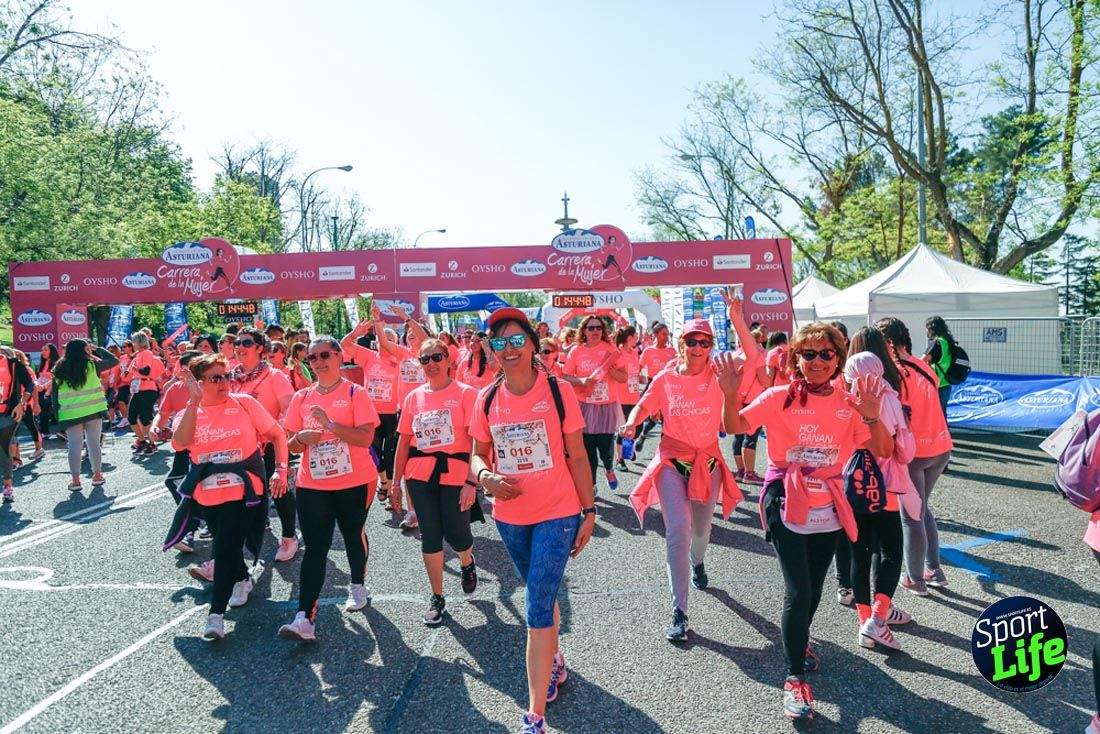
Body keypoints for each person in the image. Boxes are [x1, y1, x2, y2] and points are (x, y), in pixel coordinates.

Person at [727, 321, 892, 721]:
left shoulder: (848, 402)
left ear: (838, 359)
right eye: (808, 354)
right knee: (798, 591)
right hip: (785, 499)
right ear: (796, 358)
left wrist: (872, 417)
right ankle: (794, 677)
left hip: (829, 507)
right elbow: (734, 426)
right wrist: (729, 394)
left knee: (815, 588)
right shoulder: (778, 396)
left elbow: (886, 449)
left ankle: (799, 642)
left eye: (826, 354)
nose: (816, 362)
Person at [469, 308, 596, 734]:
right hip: (510, 517)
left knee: (537, 605)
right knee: (540, 594)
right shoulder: (486, 399)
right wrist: (485, 476)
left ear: (532, 344)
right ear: (490, 350)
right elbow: (476, 454)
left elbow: (578, 456)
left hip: (558, 512)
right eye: (499, 342)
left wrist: (589, 510)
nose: (508, 349)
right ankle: (554, 660)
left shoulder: (558, 392)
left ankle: (534, 715)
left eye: (516, 339)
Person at [621, 313, 744, 642]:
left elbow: (755, 358)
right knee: (678, 529)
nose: (698, 347)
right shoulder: (665, 379)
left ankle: (698, 562)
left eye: (705, 342)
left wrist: (739, 320)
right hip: (672, 461)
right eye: (692, 341)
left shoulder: (718, 376)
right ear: (681, 344)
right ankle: (680, 610)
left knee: (701, 529)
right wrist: (632, 423)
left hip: (707, 462)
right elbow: (644, 406)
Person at [170, 355, 289, 641]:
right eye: (215, 378)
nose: (224, 382)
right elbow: (179, 443)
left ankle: (216, 616)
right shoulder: (189, 412)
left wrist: (281, 471)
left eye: (225, 376)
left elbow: (277, 434)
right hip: (207, 494)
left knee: (224, 547)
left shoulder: (245, 403)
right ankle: (242, 578)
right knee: (228, 545)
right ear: (199, 384)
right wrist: (193, 402)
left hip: (245, 490)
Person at [279, 337, 379, 642]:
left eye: (325, 355)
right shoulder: (302, 397)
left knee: (352, 534)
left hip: (354, 480)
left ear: (338, 356)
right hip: (313, 482)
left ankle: (357, 583)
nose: (319, 362)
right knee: (315, 547)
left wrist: (331, 425)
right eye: (312, 358)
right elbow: (289, 442)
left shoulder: (355, 392)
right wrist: (302, 440)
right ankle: (303, 618)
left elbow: (365, 439)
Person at [393, 338, 480, 625]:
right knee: (430, 535)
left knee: (457, 533)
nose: (431, 364)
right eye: (425, 359)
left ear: (448, 360)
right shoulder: (413, 397)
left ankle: (467, 563)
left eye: (436, 358)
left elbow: (478, 441)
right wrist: (395, 484)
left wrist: (472, 482)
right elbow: (404, 443)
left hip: (456, 471)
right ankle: (437, 597)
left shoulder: (467, 394)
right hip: (420, 473)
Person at [843, 329, 917, 651]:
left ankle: (867, 622)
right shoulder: (886, 396)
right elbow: (891, 450)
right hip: (883, 484)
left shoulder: (842, 397)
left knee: (859, 553)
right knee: (890, 551)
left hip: (852, 484)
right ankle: (878, 616)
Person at [876, 317, 953, 594]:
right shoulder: (923, 365)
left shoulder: (895, 372)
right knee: (921, 509)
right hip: (940, 447)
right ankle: (934, 569)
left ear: (887, 343)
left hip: (915, 452)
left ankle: (915, 578)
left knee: (911, 515)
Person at [231, 328, 299, 563]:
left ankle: (289, 537)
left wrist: (275, 434)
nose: (240, 347)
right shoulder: (231, 378)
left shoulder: (274, 376)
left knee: (278, 491)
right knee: (242, 494)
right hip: (240, 447)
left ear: (260, 348)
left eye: (246, 343)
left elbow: (289, 410)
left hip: (270, 444)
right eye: (237, 343)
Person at [341, 318, 402, 509]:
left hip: (392, 413)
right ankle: (383, 481)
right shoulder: (368, 356)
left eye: (389, 340)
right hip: (370, 413)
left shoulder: (399, 360)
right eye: (382, 339)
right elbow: (344, 345)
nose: (384, 343)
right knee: (372, 450)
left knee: (391, 451)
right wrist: (356, 332)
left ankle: (390, 489)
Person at [377, 307, 429, 529]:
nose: (410, 335)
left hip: (428, 412)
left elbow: (427, 338)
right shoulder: (402, 354)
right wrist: (377, 322)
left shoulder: (428, 354)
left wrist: (407, 318)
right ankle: (413, 512)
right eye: (408, 333)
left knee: (429, 461)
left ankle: (436, 506)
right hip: (405, 413)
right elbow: (384, 343)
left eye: (414, 333)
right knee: (407, 462)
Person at [563, 315, 625, 491]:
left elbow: (624, 377)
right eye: (591, 328)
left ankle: (609, 468)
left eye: (598, 328)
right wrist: (582, 381)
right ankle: (592, 484)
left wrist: (613, 373)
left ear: (603, 330)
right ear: (584, 331)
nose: (595, 331)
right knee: (588, 447)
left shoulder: (610, 350)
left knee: (605, 444)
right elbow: (565, 376)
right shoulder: (576, 351)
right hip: (584, 405)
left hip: (606, 405)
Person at [51, 339, 118, 491]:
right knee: (94, 444)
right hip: (93, 410)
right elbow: (114, 360)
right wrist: (97, 348)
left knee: (74, 446)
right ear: (85, 350)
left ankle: (75, 481)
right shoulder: (92, 365)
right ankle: (97, 476)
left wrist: (58, 415)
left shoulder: (59, 368)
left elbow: (55, 396)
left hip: (70, 413)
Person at [0, 347, 34, 503]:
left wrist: (21, 403)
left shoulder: (13, 364)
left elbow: (30, 384)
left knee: (3, 446)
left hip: (9, 412)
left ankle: (7, 486)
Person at [124, 332, 164, 456]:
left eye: (134, 341)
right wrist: (128, 369)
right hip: (138, 389)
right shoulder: (137, 356)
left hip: (148, 388)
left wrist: (135, 369)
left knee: (145, 418)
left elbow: (146, 371)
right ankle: (142, 441)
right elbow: (126, 376)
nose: (132, 344)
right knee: (131, 417)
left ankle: (152, 444)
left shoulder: (146, 353)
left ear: (138, 342)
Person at [613, 326, 643, 470]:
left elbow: (634, 371)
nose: (637, 338)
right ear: (629, 338)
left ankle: (628, 450)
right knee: (624, 429)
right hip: (622, 397)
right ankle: (619, 460)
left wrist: (639, 377)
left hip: (635, 396)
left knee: (639, 425)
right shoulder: (618, 353)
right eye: (635, 335)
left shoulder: (634, 352)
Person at [923, 315, 957, 416]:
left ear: (931, 328)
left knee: (935, 415)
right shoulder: (948, 341)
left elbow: (922, 360)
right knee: (942, 414)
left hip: (936, 384)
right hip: (946, 382)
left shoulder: (937, 342)